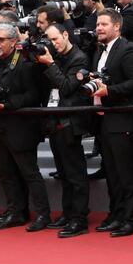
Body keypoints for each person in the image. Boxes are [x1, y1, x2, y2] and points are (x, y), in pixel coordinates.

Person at [0, 22, 52, 231]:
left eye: (1, 40)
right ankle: (16, 212)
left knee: (29, 172)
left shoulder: (25, 61)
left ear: (13, 41)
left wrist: (9, 104)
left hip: (20, 125)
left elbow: (34, 94)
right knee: (5, 172)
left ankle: (43, 214)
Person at [91, 9, 133, 237]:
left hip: (124, 121)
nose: (99, 28)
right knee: (113, 173)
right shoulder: (99, 52)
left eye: (104, 24)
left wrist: (109, 91)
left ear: (117, 27)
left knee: (128, 173)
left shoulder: (127, 50)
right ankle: (117, 214)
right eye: (97, 24)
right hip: (105, 121)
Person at [34, 24, 92, 238]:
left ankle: (79, 219)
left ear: (66, 34)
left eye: (56, 39)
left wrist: (49, 63)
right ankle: (68, 213)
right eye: (49, 40)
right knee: (64, 173)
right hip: (54, 121)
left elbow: (67, 87)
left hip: (71, 123)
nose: (53, 44)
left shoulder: (79, 58)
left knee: (75, 174)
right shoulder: (55, 56)